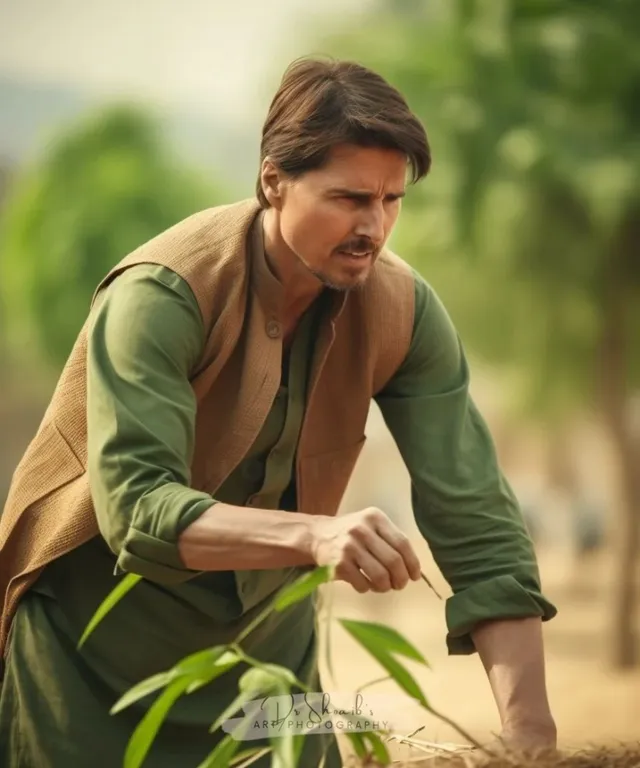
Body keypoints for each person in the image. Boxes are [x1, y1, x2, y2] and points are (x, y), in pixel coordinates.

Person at [0, 57, 558, 767]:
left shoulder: (402, 311)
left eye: (392, 200)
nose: (374, 227)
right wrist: (318, 537)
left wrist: (533, 737)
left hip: (270, 663)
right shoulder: (162, 295)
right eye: (349, 198)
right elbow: (139, 512)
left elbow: (477, 519)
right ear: (272, 181)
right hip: (92, 666)